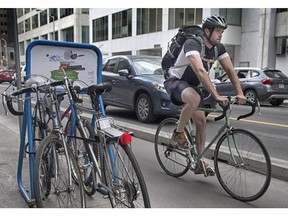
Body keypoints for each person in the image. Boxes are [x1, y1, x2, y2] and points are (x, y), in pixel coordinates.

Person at [164, 15, 247, 176]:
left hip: (193, 86)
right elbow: (200, 70)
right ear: (206, 31)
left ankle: (199, 161)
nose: (221, 34)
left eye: (222, 31)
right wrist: (215, 95)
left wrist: (240, 92)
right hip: (175, 81)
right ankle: (178, 132)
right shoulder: (193, 43)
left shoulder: (218, 48)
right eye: (218, 31)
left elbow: (230, 70)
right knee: (194, 99)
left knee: (201, 122)